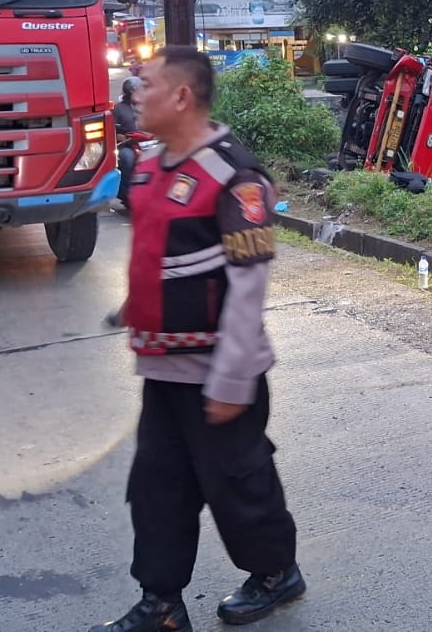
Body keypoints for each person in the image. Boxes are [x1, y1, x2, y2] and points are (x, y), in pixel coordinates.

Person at [90, 47, 304, 632]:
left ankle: (276, 573)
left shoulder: (235, 178)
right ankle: (161, 603)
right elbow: (157, 252)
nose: (135, 93)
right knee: (157, 488)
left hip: (220, 371)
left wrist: (231, 380)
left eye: (147, 84)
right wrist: (134, 309)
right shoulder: (151, 165)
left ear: (182, 96)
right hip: (162, 367)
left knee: (239, 485)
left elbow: (248, 286)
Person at [113, 76, 145, 213]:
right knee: (128, 158)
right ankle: (125, 193)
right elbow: (111, 130)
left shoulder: (147, 107)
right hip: (126, 145)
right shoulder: (118, 109)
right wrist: (121, 137)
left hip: (147, 143)